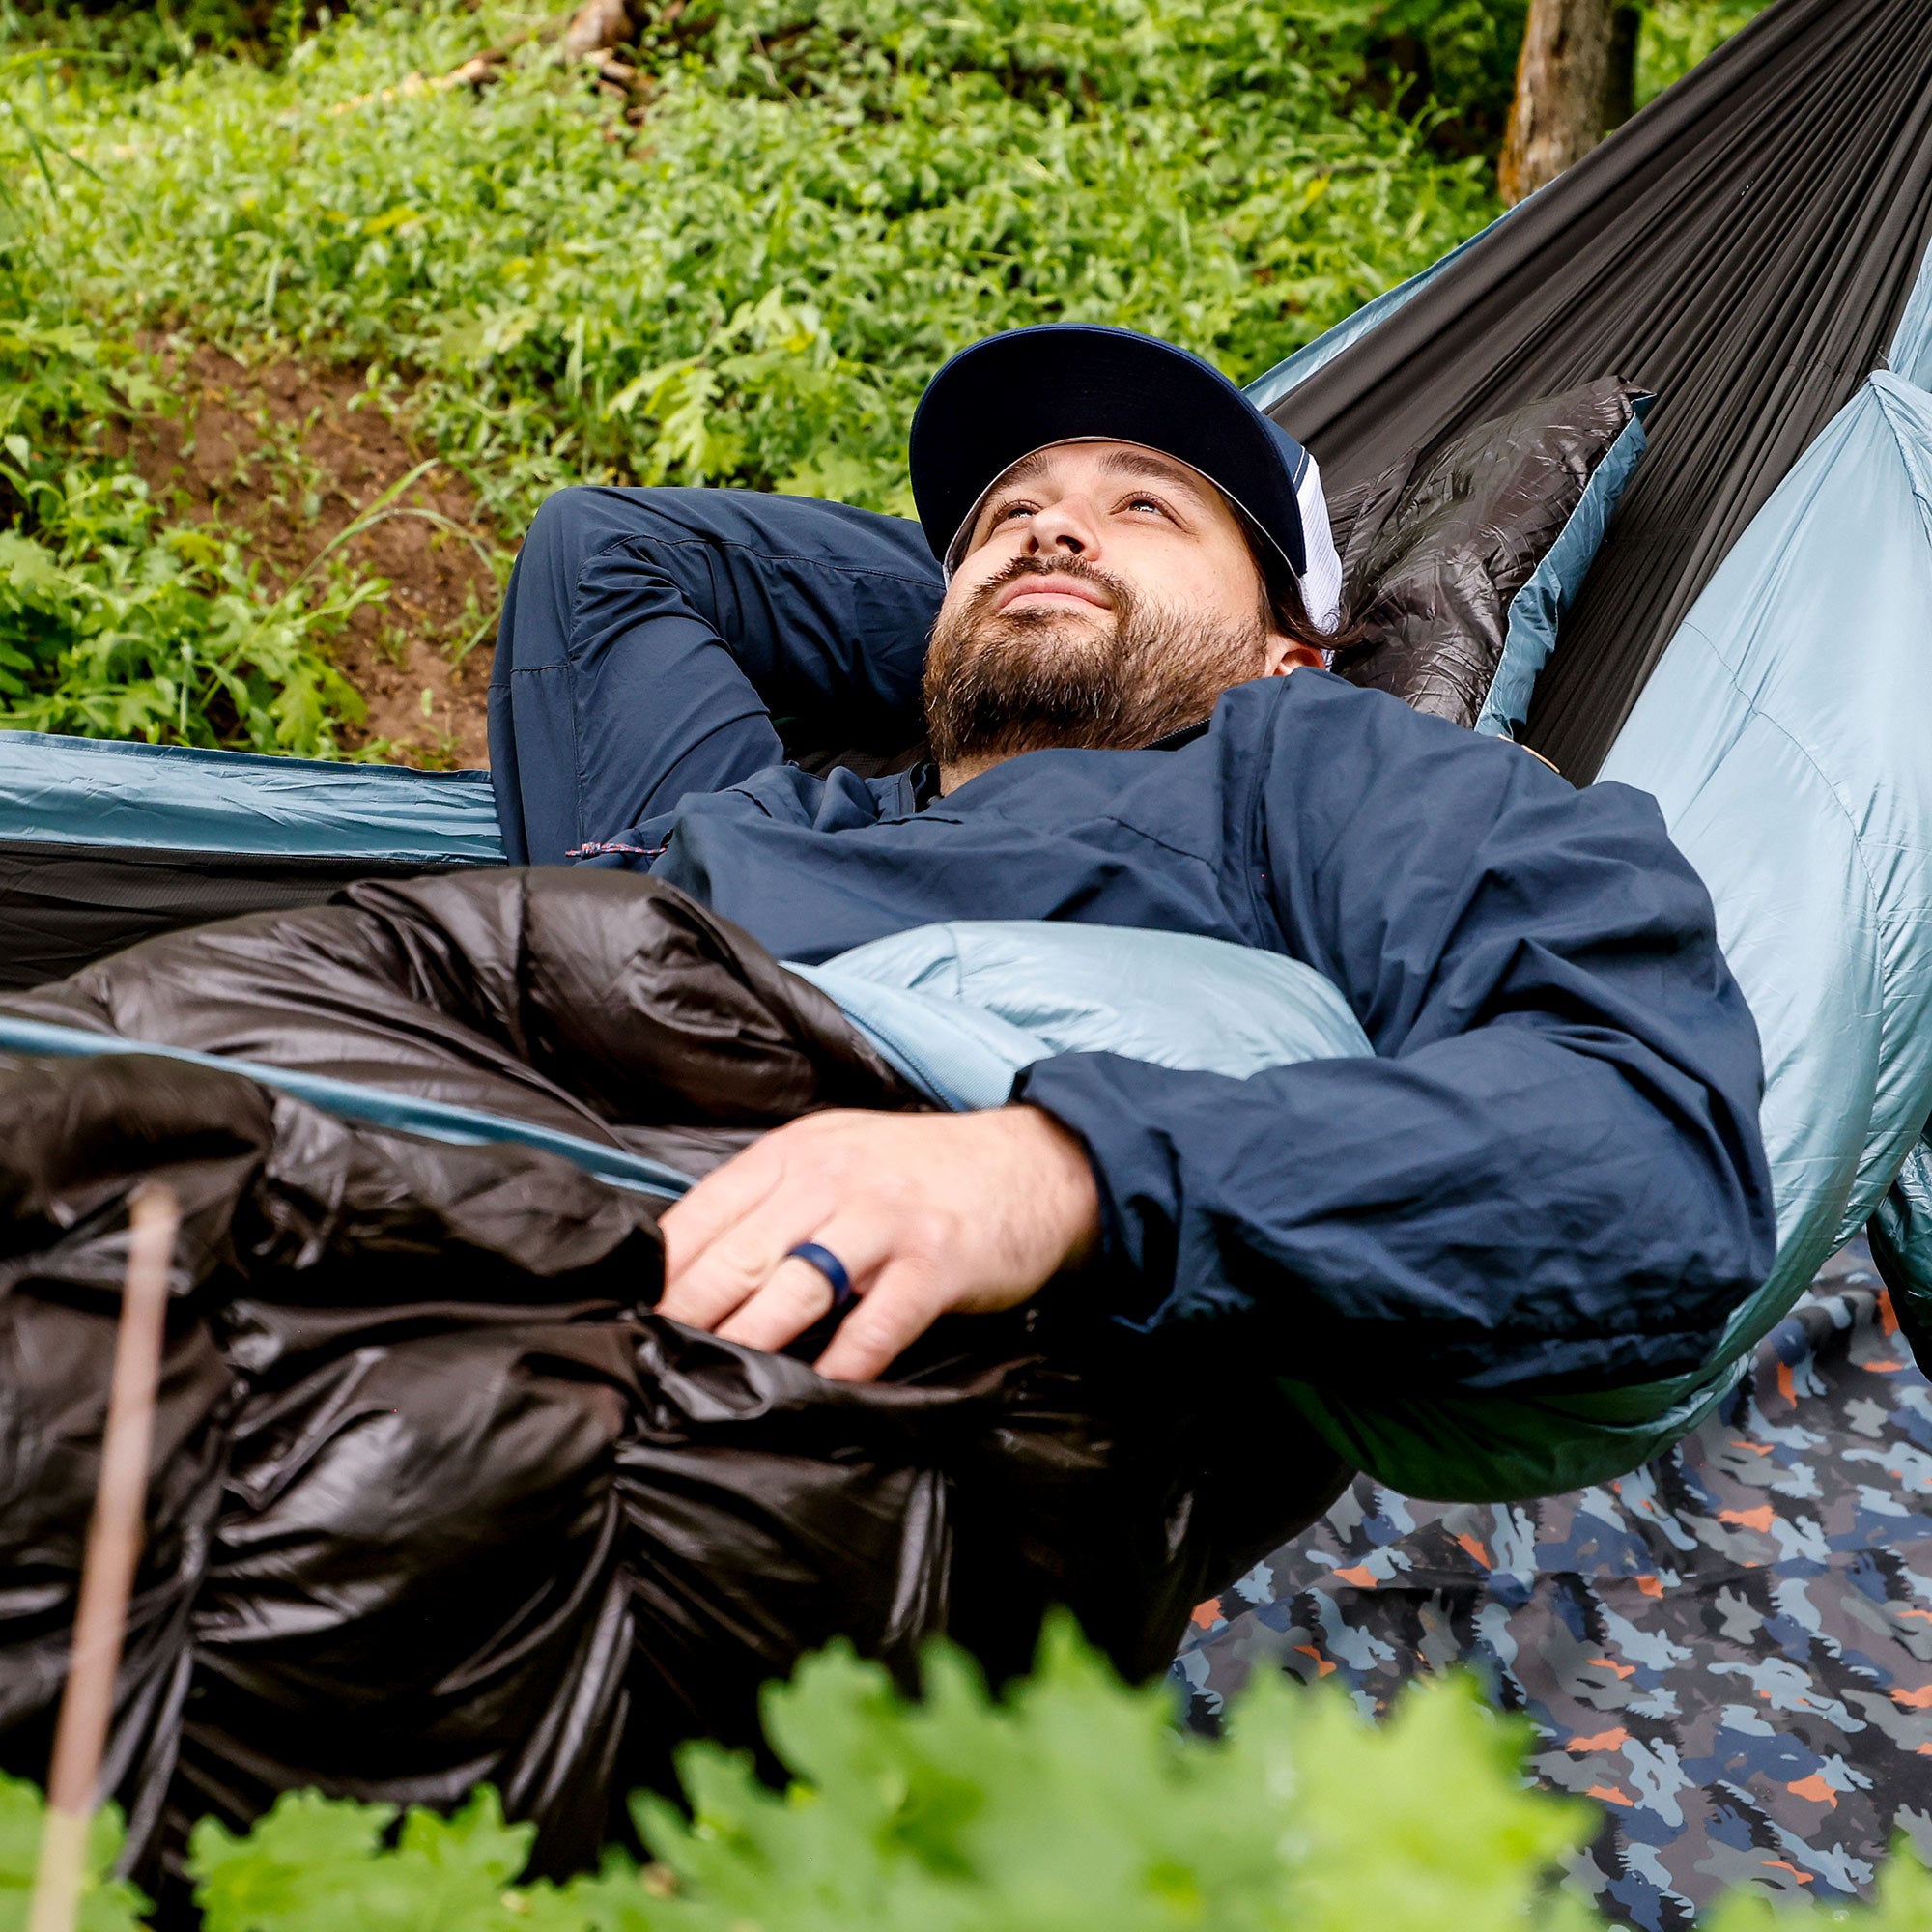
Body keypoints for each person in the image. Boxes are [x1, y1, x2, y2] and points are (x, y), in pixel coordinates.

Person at [489, 324, 1776, 1400]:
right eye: (1010, 510)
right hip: (526, 1094)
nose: (1050, 528)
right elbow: (605, 555)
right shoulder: (783, 816)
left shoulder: (1317, 765)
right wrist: (1009, 616)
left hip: (729, 1296)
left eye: (1144, 503)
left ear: (1294, 654)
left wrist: (1059, 1171)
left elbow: (1648, 1158)